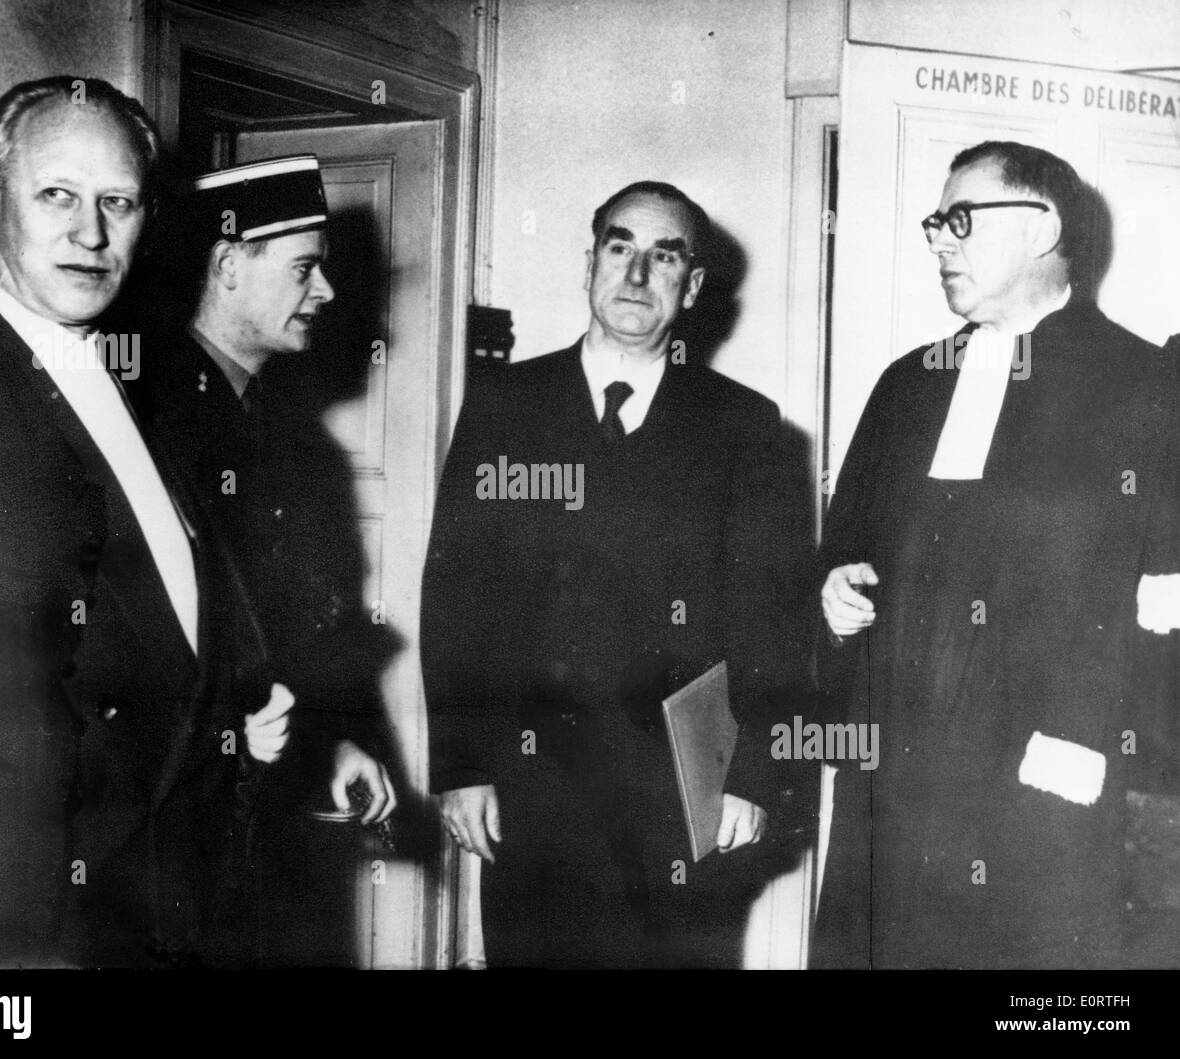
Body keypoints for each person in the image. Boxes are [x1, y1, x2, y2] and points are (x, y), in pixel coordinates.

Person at [0, 76, 291, 967]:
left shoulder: (147, 369)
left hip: (175, 888)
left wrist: (242, 698)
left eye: (118, 202)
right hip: (18, 917)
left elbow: (169, 584)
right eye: (57, 195)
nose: (91, 232)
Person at [421, 181, 813, 967]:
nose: (636, 274)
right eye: (619, 246)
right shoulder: (505, 404)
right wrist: (461, 763)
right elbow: (457, 592)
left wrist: (755, 776)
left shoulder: (745, 426)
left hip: (676, 788)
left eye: (664, 256)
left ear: (693, 286)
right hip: (533, 783)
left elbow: (772, 617)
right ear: (591, 262)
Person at [814, 141, 1180, 969]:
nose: (941, 239)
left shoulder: (1147, 386)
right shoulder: (908, 384)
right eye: (936, 223)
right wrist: (832, 593)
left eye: (962, 219)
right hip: (895, 788)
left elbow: (1168, 610)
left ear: (1043, 226)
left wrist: (1092, 747)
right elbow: (841, 553)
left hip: (1048, 795)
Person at [129, 156, 397, 966]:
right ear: (227, 264)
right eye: (304, 269)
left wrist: (334, 740)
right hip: (175, 827)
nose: (327, 293)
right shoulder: (144, 419)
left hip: (270, 819)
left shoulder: (285, 427)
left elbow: (296, 627)